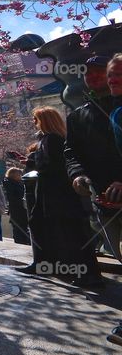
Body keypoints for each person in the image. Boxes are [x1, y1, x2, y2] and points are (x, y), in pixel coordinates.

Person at [34, 106, 103, 287]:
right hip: (59, 197)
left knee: (74, 235)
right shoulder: (51, 139)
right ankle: (84, 275)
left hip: (61, 197)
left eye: (37, 120)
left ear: (45, 121)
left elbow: (58, 168)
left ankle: (88, 275)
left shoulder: (53, 140)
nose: (34, 124)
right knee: (72, 235)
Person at [65, 54, 122, 265]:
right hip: (104, 201)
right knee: (118, 252)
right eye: (87, 73)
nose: (92, 76)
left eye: (99, 71)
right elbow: (71, 150)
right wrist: (77, 174)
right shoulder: (77, 116)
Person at [3, 167, 30, 245]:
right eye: (19, 175)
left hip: (21, 209)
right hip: (16, 210)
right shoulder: (9, 184)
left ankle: (24, 241)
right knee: (18, 229)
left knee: (23, 228)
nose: (20, 176)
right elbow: (12, 197)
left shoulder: (18, 183)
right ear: (13, 175)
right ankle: (20, 243)